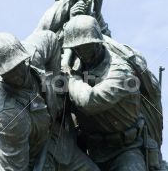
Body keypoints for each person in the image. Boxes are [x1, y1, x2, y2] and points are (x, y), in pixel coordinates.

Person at [0, 30, 100, 171]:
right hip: (32, 159)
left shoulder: (33, 53)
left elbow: (51, 39)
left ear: (23, 58)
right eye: (8, 74)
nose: (16, 75)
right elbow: (15, 168)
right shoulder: (7, 116)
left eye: (17, 66)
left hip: (58, 143)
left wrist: (56, 89)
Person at [63, 14, 163, 171]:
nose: (82, 53)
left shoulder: (121, 71)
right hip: (88, 149)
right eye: (77, 48)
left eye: (86, 47)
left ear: (97, 43)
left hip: (125, 150)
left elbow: (91, 101)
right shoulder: (76, 64)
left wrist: (70, 79)